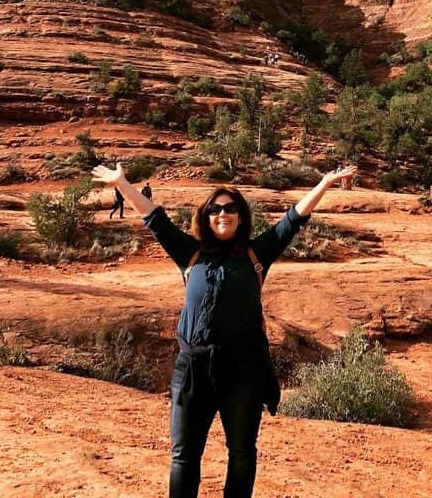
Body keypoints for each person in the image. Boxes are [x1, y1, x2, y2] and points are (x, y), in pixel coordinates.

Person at [91, 161, 358, 498]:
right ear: (206, 217)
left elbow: (292, 220)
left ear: (241, 216)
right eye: (215, 209)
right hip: (193, 370)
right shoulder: (190, 253)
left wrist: (324, 183)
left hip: (243, 372)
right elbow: (155, 219)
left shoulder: (256, 254)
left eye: (230, 208)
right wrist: (122, 184)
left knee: (242, 456)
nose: (223, 214)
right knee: (184, 457)